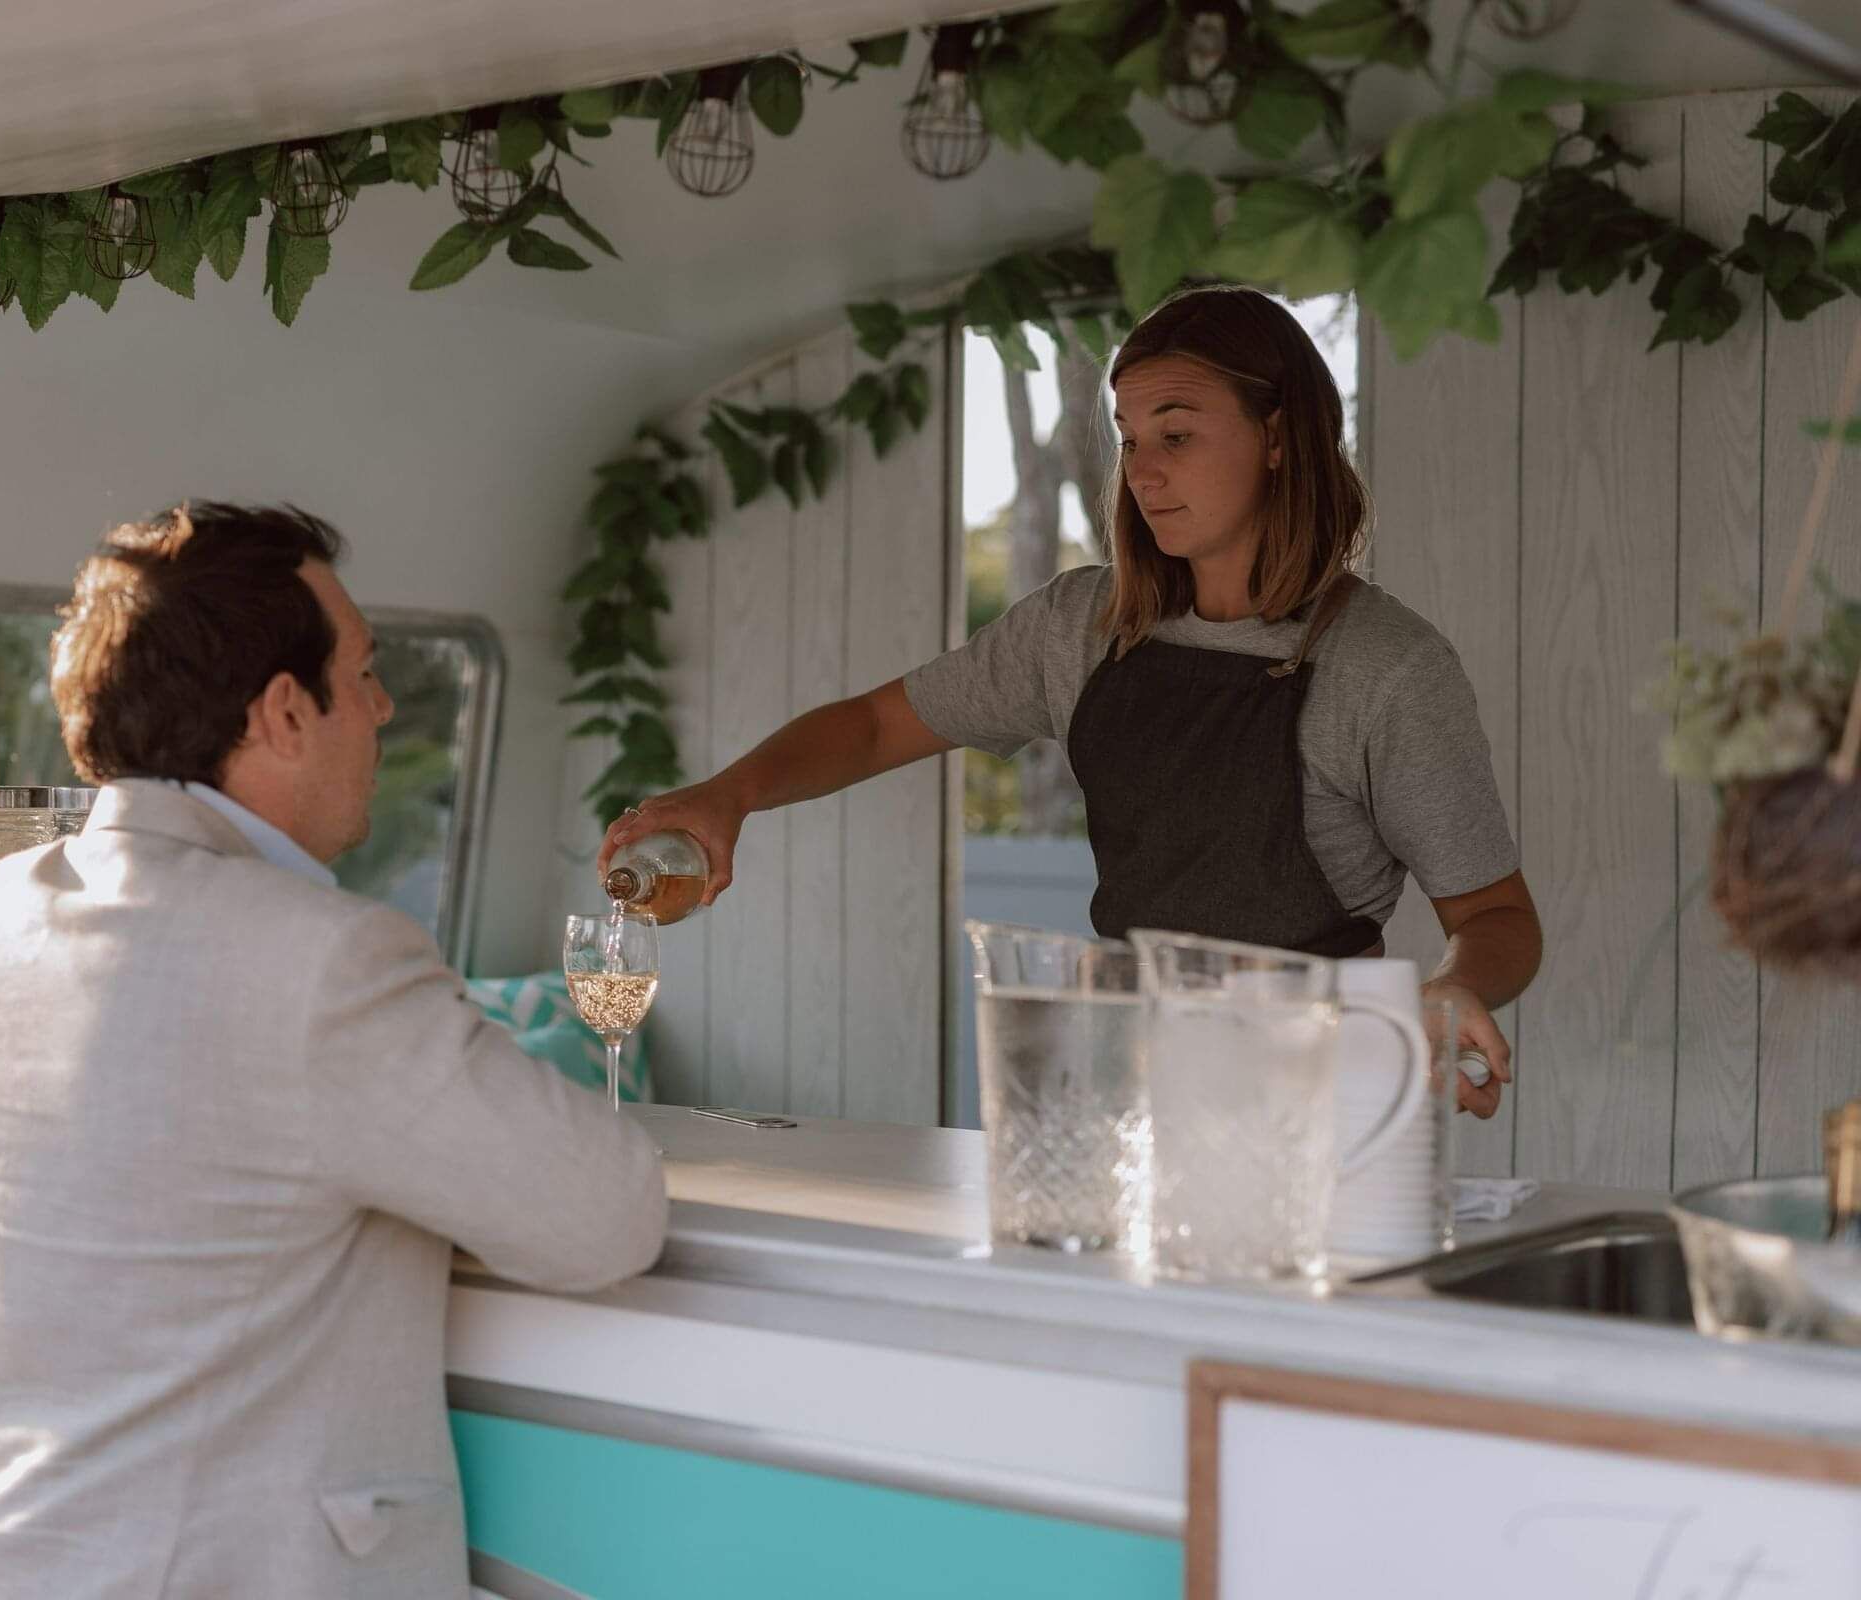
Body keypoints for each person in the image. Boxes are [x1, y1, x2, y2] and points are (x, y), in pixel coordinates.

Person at [0, 502, 667, 1599]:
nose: (380, 709)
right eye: (365, 674)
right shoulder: (324, 960)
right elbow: (603, 1216)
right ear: (285, 711)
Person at [603, 285, 1540, 1119]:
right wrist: (729, 796)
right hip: (1125, 1092)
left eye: (1177, 434)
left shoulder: (1389, 667)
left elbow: (1497, 918)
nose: (1143, 470)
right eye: (1131, 440)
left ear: (1280, 438)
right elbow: (877, 723)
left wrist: (1455, 990)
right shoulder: (1084, 625)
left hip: (1321, 1107)